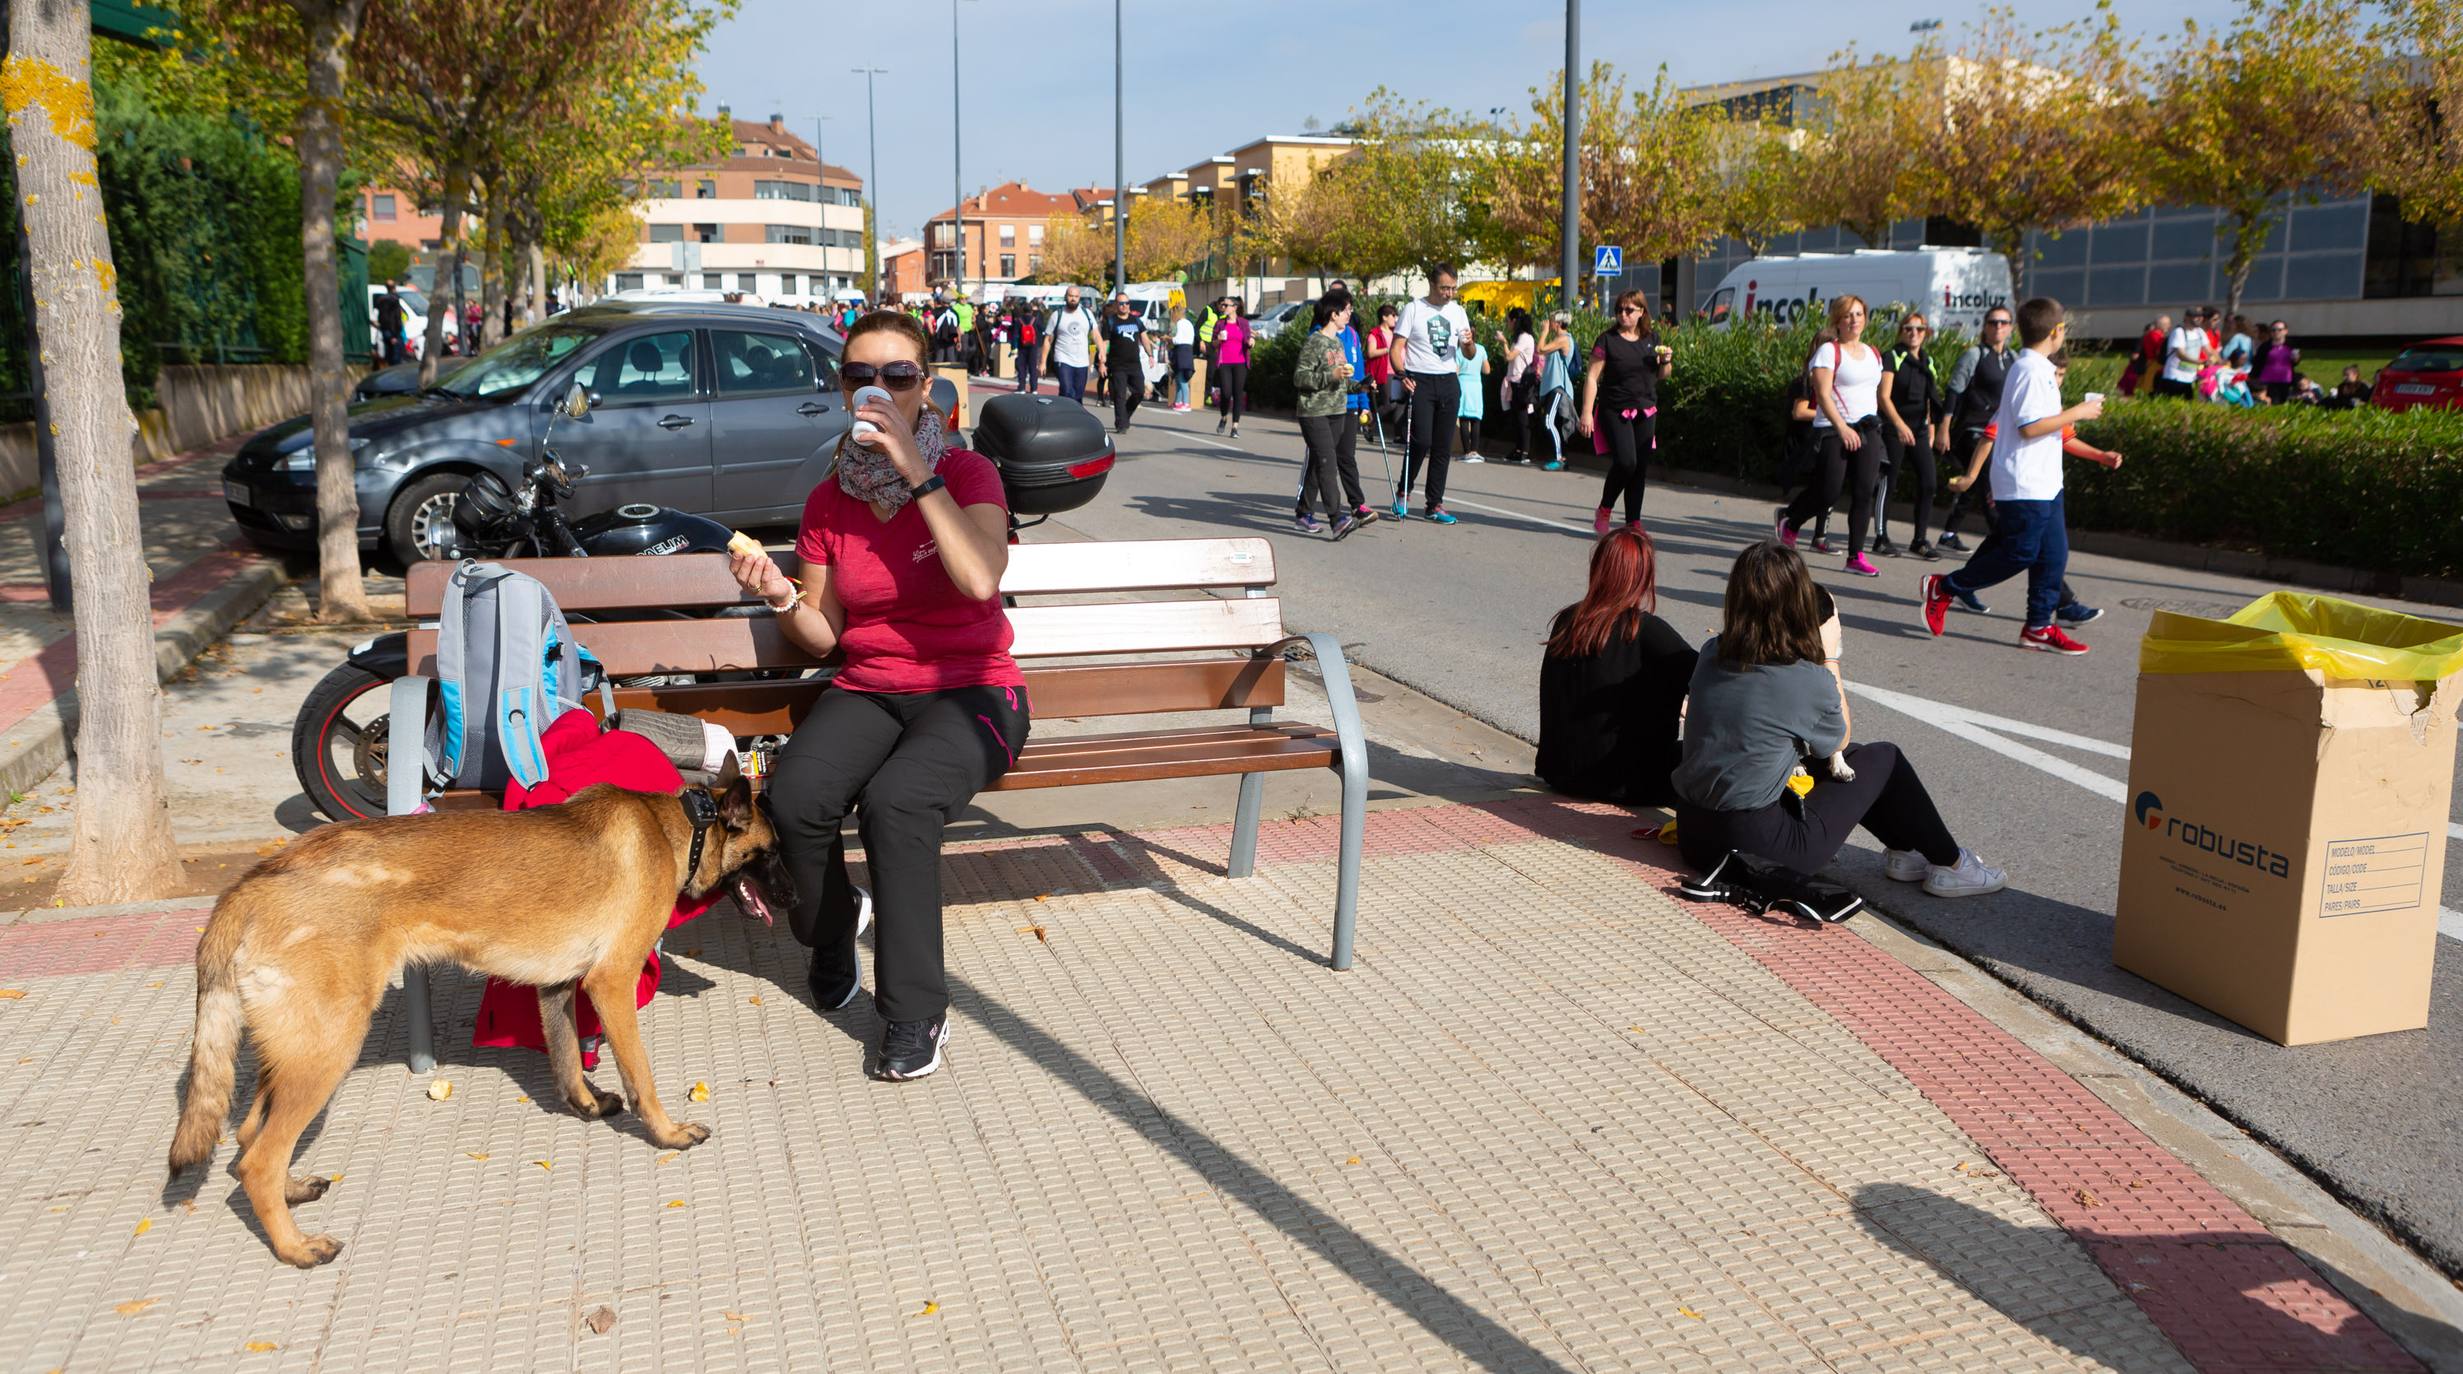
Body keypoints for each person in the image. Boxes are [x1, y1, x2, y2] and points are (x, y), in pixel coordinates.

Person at [726, 309, 1027, 1082]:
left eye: (898, 376)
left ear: (927, 389)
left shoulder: (966, 476)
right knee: (795, 799)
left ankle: (914, 1011)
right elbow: (825, 635)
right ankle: (832, 930)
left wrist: (917, 473)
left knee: (897, 804)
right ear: (841, 387)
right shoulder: (830, 499)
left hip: (973, 691)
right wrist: (775, 597)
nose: (878, 390)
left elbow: (980, 579)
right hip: (871, 686)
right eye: (861, 376)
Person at [1674, 541, 2007, 897]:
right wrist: (1829, 655)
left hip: (1695, 836)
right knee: (1882, 758)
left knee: (1855, 763)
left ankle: (1906, 853)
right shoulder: (1803, 677)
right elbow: (1837, 741)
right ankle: (1954, 865)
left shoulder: (1712, 653)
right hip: (1761, 850)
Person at [1920, 297, 2107, 656]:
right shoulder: (2031, 371)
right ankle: (1945, 587)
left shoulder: (2038, 367)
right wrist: (2077, 412)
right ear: (2056, 331)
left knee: (2054, 554)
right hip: (2025, 482)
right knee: (2020, 552)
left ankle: (2038, 627)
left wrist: (2095, 451)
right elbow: (2029, 428)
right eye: (2063, 327)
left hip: (2046, 481)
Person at [1537, 526, 1697, 805]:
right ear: (1643, 576)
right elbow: (1707, 678)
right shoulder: (1646, 630)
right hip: (1629, 783)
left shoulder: (1567, 620)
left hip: (1561, 773)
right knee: (1705, 755)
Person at [1777, 294, 1885, 576]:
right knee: (1828, 492)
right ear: (1837, 320)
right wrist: (1842, 428)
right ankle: (1791, 520)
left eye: (1859, 314)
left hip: (1868, 428)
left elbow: (1874, 394)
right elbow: (1823, 396)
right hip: (1833, 429)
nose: (1854, 320)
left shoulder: (1873, 353)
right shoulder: (1828, 352)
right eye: (1848, 315)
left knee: (1864, 493)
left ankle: (1855, 556)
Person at [1579, 290, 1672, 536]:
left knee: (1639, 467)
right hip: (1615, 409)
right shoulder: (1607, 340)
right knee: (1626, 461)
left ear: (1641, 311)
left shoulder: (1652, 338)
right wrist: (1587, 412)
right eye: (1619, 309)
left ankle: (1633, 522)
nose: (1623, 314)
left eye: (1629, 310)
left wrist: (1666, 361)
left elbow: (1663, 376)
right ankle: (1605, 508)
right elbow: (1592, 377)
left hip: (1646, 409)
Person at [1393, 265, 1472, 524]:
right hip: (1420, 380)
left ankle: (1434, 503)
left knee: (1442, 446)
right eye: (1444, 288)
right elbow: (1397, 348)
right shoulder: (1413, 309)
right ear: (1432, 284)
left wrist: (1469, 343)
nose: (1449, 293)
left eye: (1453, 288)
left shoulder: (1458, 312)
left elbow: (1468, 353)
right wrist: (1402, 374)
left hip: (1449, 380)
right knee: (1421, 441)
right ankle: (1404, 491)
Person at [1935, 305, 2015, 551]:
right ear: (1985, 327)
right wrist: (1944, 428)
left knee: (1974, 481)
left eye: (2003, 322)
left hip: (1998, 432)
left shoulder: (2015, 358)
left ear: (2011, 327)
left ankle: (1948, 533)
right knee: (1987, 480)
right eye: (1993, 322)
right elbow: (1954, 391)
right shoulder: (1975, 355)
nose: (1998, 327)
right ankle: (2001, 537)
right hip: (1973, 430)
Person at [1291, 288, 1366, 539]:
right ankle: (1337, 519)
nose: (1349, 314)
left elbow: (1343, 381)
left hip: (1337, 411)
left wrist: (1362, 386)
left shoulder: (1337, 343)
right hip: (1314, 412)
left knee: (1318, 462)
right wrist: (1330, 376)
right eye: (1346, 310)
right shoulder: (1316, 342)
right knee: (1327, 463)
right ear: (1333, 314)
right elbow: (1300, 377)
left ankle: (1303, 512)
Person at [1874, 310, 1945, 560]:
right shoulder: (1893, 356)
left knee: (1929, 482)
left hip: (1919, 428)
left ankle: (1920, 539)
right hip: (1894, 427)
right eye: (1908, 328)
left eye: (1919, 329)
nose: (1914, 333)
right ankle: (1881, 537)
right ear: (1901, 331)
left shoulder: (1928, 361)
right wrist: (1899, 425)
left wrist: (1932, 429)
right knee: (1888, 482)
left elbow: (1930, 399)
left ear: (1926, 333)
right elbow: (1883, 396)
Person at [1095, 293, 1147, 434]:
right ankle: (1121, 424)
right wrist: (1102, 363)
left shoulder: (1136, 321)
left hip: (1135, 364)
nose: (1124, 306)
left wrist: (1150, 355)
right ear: (1116, 305)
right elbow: (1105, 344)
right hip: (1117, 365)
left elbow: (1144, 337)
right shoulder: (1110, 322)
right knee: (1119, 395)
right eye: (1121, 303)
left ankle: (1125, 415)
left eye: (1127, 303)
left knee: (1139, 392)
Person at [1534, 311, 1577, 471]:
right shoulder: (1560, 339)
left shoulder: (1564, 339)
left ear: (1558, 323)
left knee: (1548, 421)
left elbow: (1540, 349)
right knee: (1554, 423)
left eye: (1551, 321)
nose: (1549, 323)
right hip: (1554, 386)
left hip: (1559, 387)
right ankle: (1560, 457)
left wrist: (1544, 332)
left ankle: (1558, 458)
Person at [1041, 287, 1098, 404]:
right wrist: (1042, 362)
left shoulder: (1087, 314)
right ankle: (1065, 414)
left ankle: (1072, 417)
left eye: (1076, 297)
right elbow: (1048, 339)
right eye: (1071, 296)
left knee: (1078, 395)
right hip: (1063, 358)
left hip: (1082, 360)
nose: (1073, 299)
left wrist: (1102, 351)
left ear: (1079, 298)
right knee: (1067, 391)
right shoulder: (1057, 315)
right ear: (1066, 297)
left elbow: (1096, 335)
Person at [1495, 308, 1537, 464]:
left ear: (1514, 321)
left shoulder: (1524, 338)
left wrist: (1504, 342)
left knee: (1522, 418)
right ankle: (1519, 449)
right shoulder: (1520, 337)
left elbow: (1509, 356)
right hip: (1515, 382)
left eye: (1508, 321)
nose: (1508, 324)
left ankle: (1524, 451)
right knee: (1516, 417)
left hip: (1522, 383)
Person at [1208, 297, 1254, 438]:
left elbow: (1249, 340)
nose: (1223, 307)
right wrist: (1218, 340)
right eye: (1222, 305)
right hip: (1224, 363)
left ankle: (1235, 427)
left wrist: (1252, 342)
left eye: (1226, 305)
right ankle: (1223, 417)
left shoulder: (1244, 323)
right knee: (1226, 393)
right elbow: (1213, 344)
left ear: (1234, 307)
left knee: (1237, 394)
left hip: (1240, 363)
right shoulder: (1220, 323)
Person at [1364, 303, 1404, 444]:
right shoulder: (1375, 333)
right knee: (1389, 404)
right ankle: (1369, 423)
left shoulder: (1397, 333)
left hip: (1399, 371)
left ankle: (1399, 436)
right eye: (1393, 315)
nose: (1395, 318)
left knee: (1400, 404)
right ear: (1384, 317)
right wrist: (1388, 350)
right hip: (1385, 372)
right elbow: (1371, 352)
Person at [2156, 307, 2210, 399]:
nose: (2200, 319)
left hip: (2190, 378)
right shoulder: (2179, 332)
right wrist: (2201, 362)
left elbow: (2210, 350)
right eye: (2196, 316)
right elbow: (2181, 355)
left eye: (2201, 316)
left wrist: (2220, 361)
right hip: (2174, 377)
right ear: (2187, 317)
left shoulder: (2200, 332)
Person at [1456, 325, 1491, 462]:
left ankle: (1466, 452)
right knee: (1476, 419)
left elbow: (1456, 371)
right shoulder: (1481, 349)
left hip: (1462, 385)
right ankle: (1475, 451)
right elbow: (1487, 370)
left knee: (1464, 419)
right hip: (1476, 385)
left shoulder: (1458, 351)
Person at [2251, 320, 2299, 404]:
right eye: (2273, 330)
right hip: (2267, 380)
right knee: (2271, 401)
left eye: (2279, 330)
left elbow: (2295, 362)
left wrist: (2296, 359)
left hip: (2285, 379)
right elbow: (2257, 363)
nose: (2276, 332)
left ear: (2285, 331)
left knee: (2282, 402)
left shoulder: (2291, 344)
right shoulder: (2265, 346)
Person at [1168, 304, 1196, 410]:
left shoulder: (1180, 323)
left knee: (1182, 380)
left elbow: (1178, 339)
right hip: (1188, 350)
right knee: (1179, 379)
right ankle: (1178, 402)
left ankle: (1186, 403)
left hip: (1181, 351)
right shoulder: (1189, 323)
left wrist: (1169, 339)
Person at [374, 280, 406, 365]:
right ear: (394, 288)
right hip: (393, 332)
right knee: (396, 356)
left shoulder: (381, 300)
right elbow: (394, 318)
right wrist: (394, 335)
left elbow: (382, 318)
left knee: (389, 353)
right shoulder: (394, 300)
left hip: (386, 330)